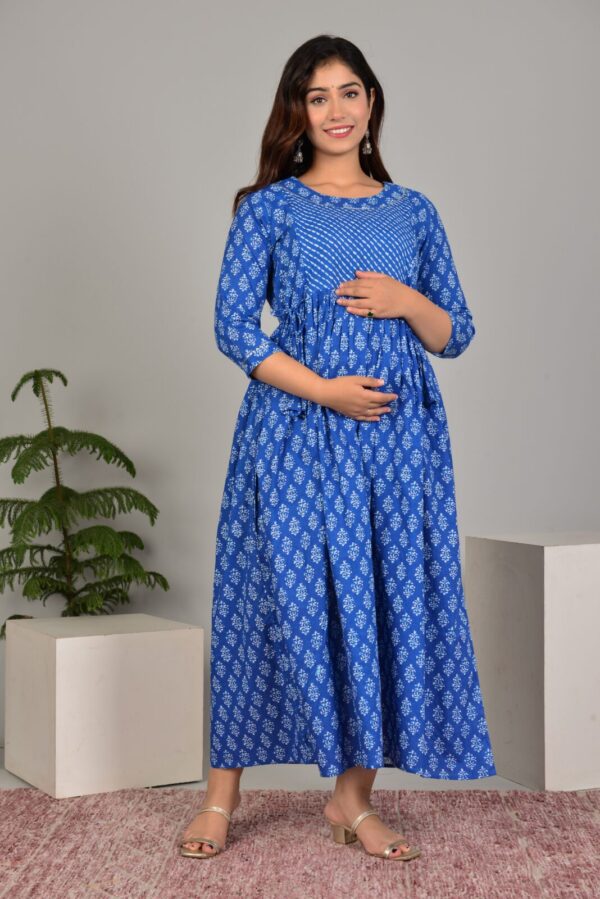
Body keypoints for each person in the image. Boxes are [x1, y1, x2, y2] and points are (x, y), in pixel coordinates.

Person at [180, 33, 496, 863]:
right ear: (297, 111)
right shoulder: (269, 208)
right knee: (265, 598)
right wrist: (325, 390)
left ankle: (352, 800)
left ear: (371, 101)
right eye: (316, 96)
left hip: (397, 442)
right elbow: (233, 328)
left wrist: (404, 298)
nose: (335, 110)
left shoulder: (413, 210)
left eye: (348, 91)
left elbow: (455, 333)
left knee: (381, 599)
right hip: (294, 432)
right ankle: (220, 795)